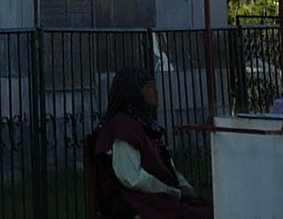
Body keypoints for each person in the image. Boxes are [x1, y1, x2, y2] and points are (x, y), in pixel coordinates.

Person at [90, 66, 209, 219]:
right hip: (136, 200)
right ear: (133, 93)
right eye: (149, 87)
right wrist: (175, 192)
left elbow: (165, 163)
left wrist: (184, 187)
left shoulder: (143, 124)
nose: (156, 91)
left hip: (155, 197)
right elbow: (131, 178)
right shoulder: (122, 126)